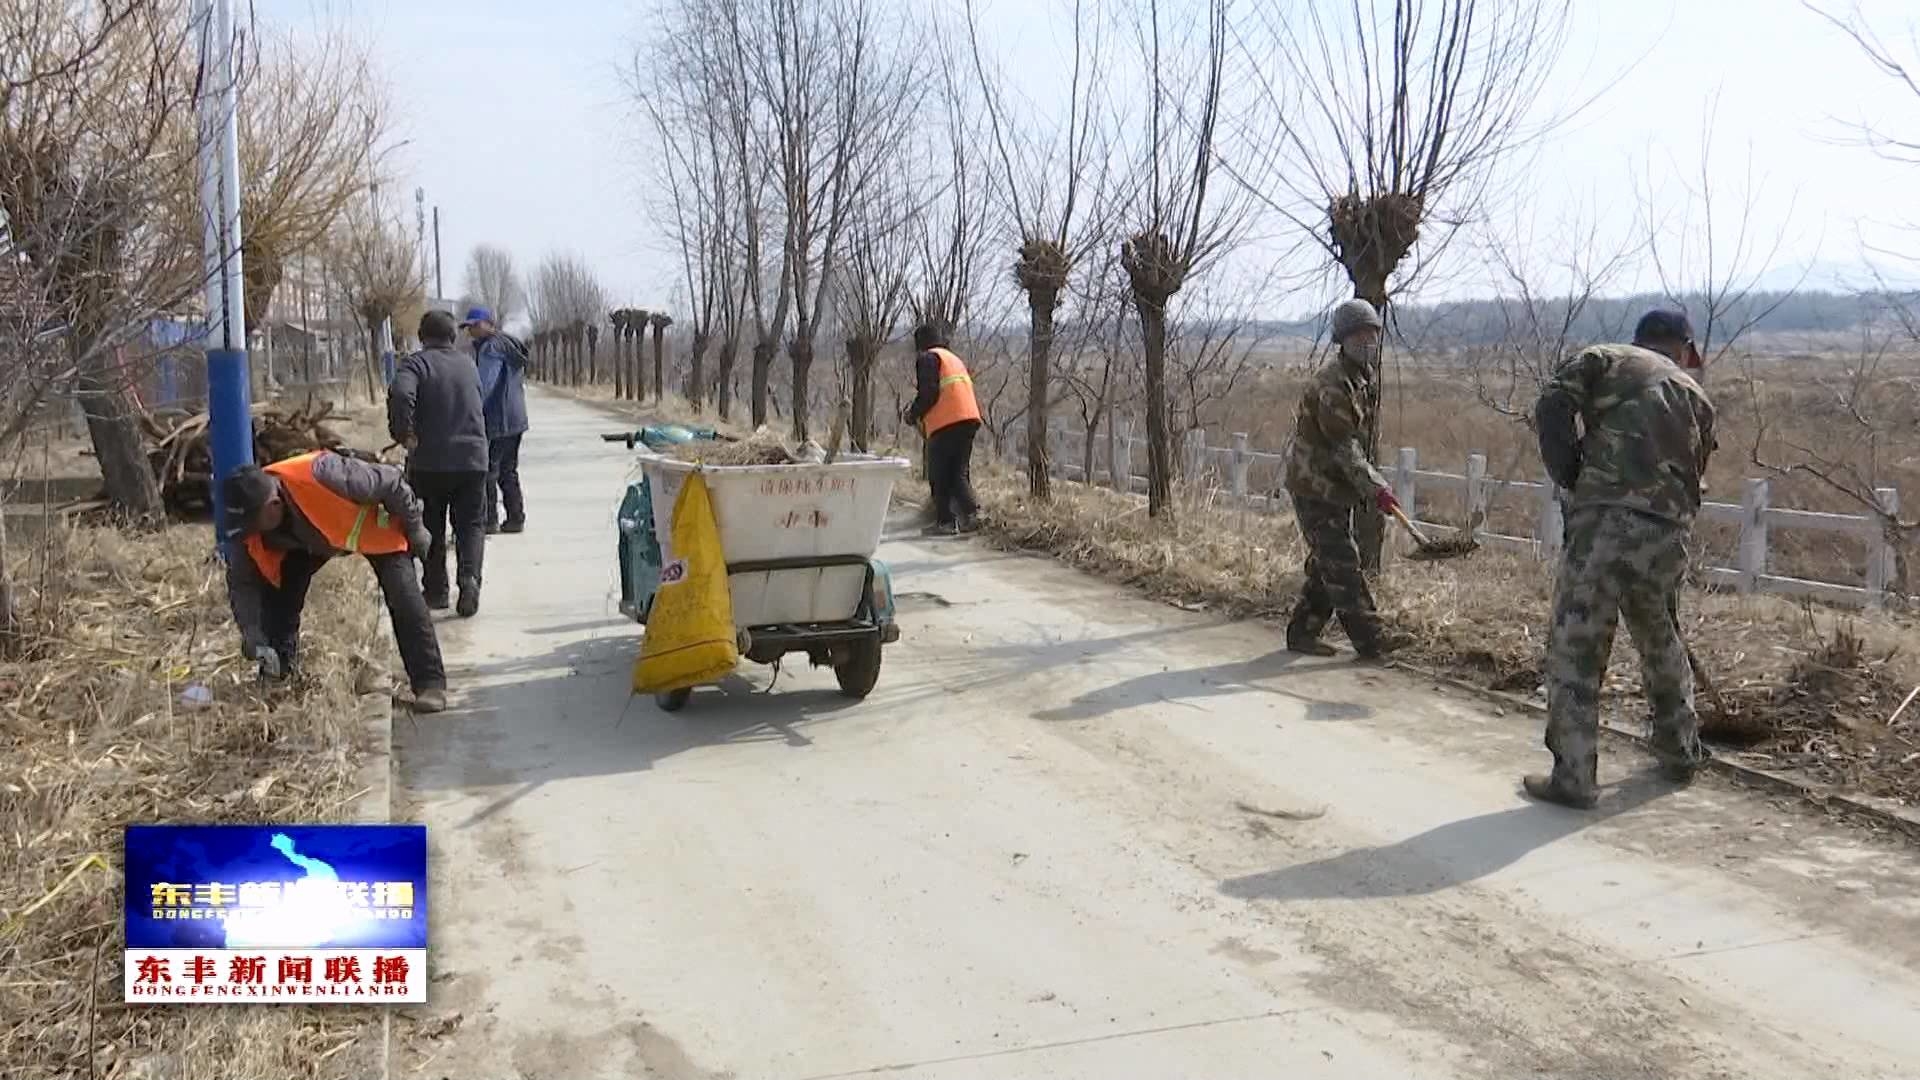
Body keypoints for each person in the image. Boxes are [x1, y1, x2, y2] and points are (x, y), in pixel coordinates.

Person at [1526, 308, 1715, 809]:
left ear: (1640, 339)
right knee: (1661, 638)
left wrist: (1571, 475)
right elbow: (1698, 472)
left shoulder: (1605, 359)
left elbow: (1551, 405)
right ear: (1685, 349)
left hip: (1605, 523)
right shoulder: (1698, 396)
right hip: (1668, 533)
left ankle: (1575, 777)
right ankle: (1680, 752)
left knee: (1577, 645)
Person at [222, 449, 449, 714]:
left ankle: (430, 684)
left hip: (376, 529)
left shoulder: (324, 473)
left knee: (404, 597)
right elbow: (242, 583)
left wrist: (415, 527)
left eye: (252, 521)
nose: (250, 530)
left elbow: (390, 481)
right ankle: (280, 673)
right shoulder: (251, 525)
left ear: (273, 505)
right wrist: (251, 632)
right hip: (309, 542)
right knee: (278, 599)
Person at [1281, 299, 1413, 660]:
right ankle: (1372, 641)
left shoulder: (1359, 379)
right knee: (1342, 559)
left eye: (1373, 333)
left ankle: (1302, 632)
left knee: (1330, 560)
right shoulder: (1333, 386)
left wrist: (1367, 486)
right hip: (1314, 486)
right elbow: (1345, 448)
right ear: (1344, 338)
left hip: (1335, 486)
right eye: (1361, 334)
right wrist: (1377, 489)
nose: (1370, 340)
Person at [389, 310, 490, 617]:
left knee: (430, 524)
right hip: (473, 459)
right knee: (471, 526)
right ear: (452, 336)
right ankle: (469, 581)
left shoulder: (415, 364)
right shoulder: (469, 365)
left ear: (422, 337)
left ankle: (436, 591)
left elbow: (401, 394)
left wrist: (403, 433)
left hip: (430, 463)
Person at [903, 322, 982, 536]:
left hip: (946, 421)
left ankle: (946, 522)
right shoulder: (952, 358)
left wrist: (913, 413)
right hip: (970, 417)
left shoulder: (928, 358)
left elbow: (929, 392)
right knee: (958, 472)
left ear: (920, 344)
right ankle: (972, 514)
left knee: (939, 474)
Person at [465, 307, 530, 534]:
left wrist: (471, 411)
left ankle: (489, 520)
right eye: (468, 327)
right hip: (516, 418)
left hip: (498, 418)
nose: (471, 331)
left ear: (488, 324)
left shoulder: (491, 348)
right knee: (508, 470)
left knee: (488, 471)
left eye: (475, 325)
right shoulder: (509, 345)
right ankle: (516, 517)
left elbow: (485, 385)